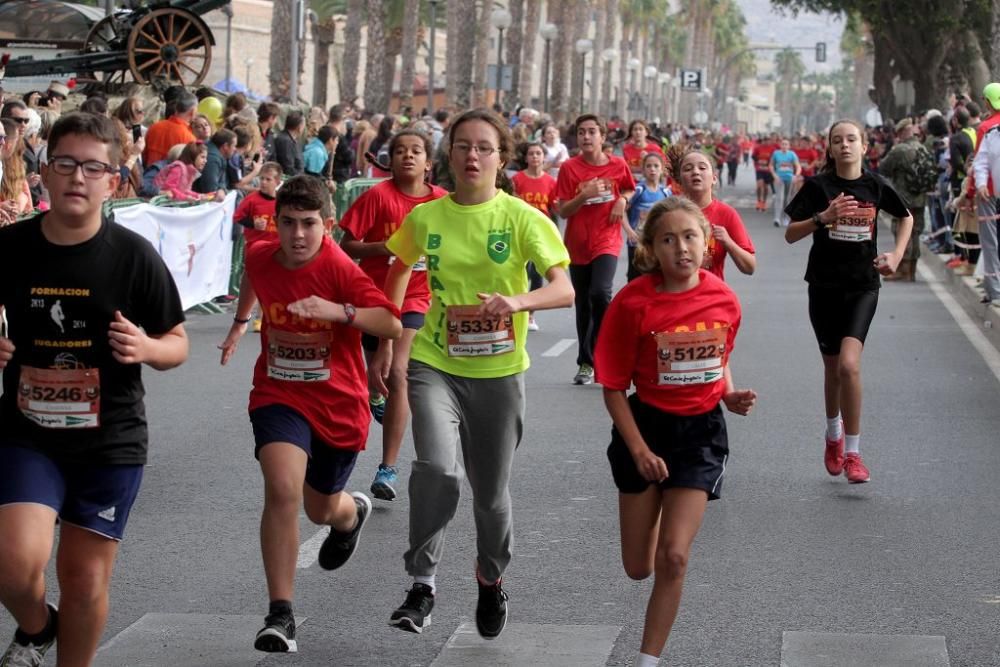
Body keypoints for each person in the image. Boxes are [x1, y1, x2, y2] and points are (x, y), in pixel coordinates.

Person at [0, 111, 188, 667]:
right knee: (12, 564)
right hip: (25, 432)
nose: (77, 177)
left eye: (92, 167)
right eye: (65, 164)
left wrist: (146, 349)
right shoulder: (9, 248)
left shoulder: (133, 257)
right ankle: (36, 628)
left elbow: (176, 342)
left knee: (82, 581)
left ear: (114, 179)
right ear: (45, 171)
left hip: (109, 440)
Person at [382, 109, 573, 638]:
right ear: (450, 155)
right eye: (463, 146)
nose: (472, 156)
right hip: (435, 362)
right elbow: (397, 271)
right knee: (439, 472)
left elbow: (563, 288)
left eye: (484, 148)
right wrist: (388, 340)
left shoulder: (521, 218)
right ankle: (422, 583)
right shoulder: (428, 217)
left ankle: (490, 579)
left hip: (499, 372)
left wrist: (515, 300)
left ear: (502, 158)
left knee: (490, 497)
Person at [218, 175, 402, 654]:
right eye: (288, 224)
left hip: (339, 404)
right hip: (278, 394)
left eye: (308, 225)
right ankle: (281, 614)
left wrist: (339, 311)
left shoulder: (340, 268)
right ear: (274, 223)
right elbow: (253, 279)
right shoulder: (260, 253)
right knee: (282, 489)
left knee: (321, 507)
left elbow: (390, 321)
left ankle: (349, 514)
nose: (297, 235)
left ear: (328, 225)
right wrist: (240, 326)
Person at [595, 196, 755, 667]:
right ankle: (658, 513)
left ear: (706, 244)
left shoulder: (724, 298)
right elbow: (612, 388)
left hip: (700, 435)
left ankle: (648, 661)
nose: (681, 248)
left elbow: (717, 359)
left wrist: (727, 395)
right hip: (643, 428)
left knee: (674, 558)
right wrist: (640, 451)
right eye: (668, 239)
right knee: (638, 567)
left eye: (690, 237)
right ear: (652, 250)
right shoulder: (633, 302)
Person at [783, 119, 913, 484]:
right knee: (832, 367)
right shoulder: (818, 186)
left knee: (849, 366)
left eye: (851, 139)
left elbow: (906, 218)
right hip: (824, 286)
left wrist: (897, 255)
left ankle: (853, 452)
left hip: (863, 285)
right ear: (829, 148)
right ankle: (832, 435)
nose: (844, 145)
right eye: (837, 140)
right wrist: (822, 218)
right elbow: (791, 233)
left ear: (864, 146)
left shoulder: (875, 185)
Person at [339, 129, 447, 502]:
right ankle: (376, 396)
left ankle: (387, 468)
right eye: (400, 151)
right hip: (373, 298)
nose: (407, 156)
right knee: (375, 375)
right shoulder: (377, 196)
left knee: (399, 372)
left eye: (416, 151)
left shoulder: (441, 203)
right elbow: (346, 245)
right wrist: (382, 248)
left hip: (418, 298)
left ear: (428, 163)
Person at [555, 114, 635, 385]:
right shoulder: (569, 168)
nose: (586, 137)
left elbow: (629, 189)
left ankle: (602, 353)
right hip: (578, 243)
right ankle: (587, 363)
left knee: (600, 293)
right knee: (584, 306)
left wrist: (622, 201)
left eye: (591, 132)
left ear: (602, 137)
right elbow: (563, 210)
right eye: (581, 132)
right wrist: (584, 195)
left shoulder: (617, 164)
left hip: (607, 239)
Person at [675, 149, 756, 281]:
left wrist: (728, 242)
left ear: (714, 178)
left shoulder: (726, 214)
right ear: (679, 181)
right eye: (688, 169)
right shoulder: (669, 214)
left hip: (711, 296)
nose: (695, 172)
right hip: (675, 295)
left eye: (702, 167)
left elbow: (749, 267)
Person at [511, 140, 559, 329]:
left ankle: (530, 314)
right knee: (520, 272)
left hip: (539, 233)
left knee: (537, 274)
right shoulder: (517, 179)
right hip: (519, 231)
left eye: (538, 153)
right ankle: (517, 308)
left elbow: (555, 208)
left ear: (543, 157)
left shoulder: (550, 181)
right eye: (531, 154)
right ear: (526, 158)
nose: (535, 157)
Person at [876, 118, 930, 281]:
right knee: (915, 232)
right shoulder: (922, 148)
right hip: (920, 198)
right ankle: (911, 269)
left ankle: (903, 270)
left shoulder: (899, 150)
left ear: (900, 133)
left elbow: (883, 168)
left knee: (901, 232)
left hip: (903, 199)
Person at [625, 152, 671, 282]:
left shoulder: (666, 192)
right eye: (649, 166)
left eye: (656, 166)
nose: (652, 169)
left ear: (662, 169)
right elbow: (621, 210)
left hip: (657, 242)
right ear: (643, 170)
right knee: (635, 278)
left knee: (656, 277)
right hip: (637, 242)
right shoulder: (638, 190)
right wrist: (629, 231)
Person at [143, 91, 197, 165]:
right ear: (193, 112)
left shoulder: (154, 127)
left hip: (148, 173)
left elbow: (144, 156)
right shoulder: (190, 139)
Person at [194, 128, 237, 197]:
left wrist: (222, 189)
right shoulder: (213, 160)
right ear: (225, 146)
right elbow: (210, 190)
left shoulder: (212, 151)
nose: (235, 149)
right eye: (234, 146)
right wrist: (222, 189)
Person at [770, 138, 800, 226]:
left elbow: (798, 166)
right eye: (783, 144)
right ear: (780, 145)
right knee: (780, 197)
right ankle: (777, 218)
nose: (784, 146)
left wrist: (796, 175)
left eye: (786, 144)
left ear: (789, 146)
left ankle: (786, 218)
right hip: (779, 178)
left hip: (789, 178)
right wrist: (774, 175)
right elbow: (771, 165)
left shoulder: (792, 154)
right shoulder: (776, 153)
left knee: (787, 199)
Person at [274, 111, 305, 177]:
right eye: (304, 125)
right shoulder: (286, 141)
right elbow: (288, 168)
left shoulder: (293, 140)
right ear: (299, 126)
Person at [751, 134, 777, 211]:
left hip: (768, 170)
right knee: (759, 185)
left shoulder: (773, 149)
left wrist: (769, 163)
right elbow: (753, 156)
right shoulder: (758, 148)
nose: (766, 142)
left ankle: (764, 203)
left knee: (765, 187)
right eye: (765, 140)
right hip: (759, 169)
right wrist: (759, 161)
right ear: (763, 141)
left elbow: (774, 159)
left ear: (769, 141)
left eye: (767, 140)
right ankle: (759, 201)